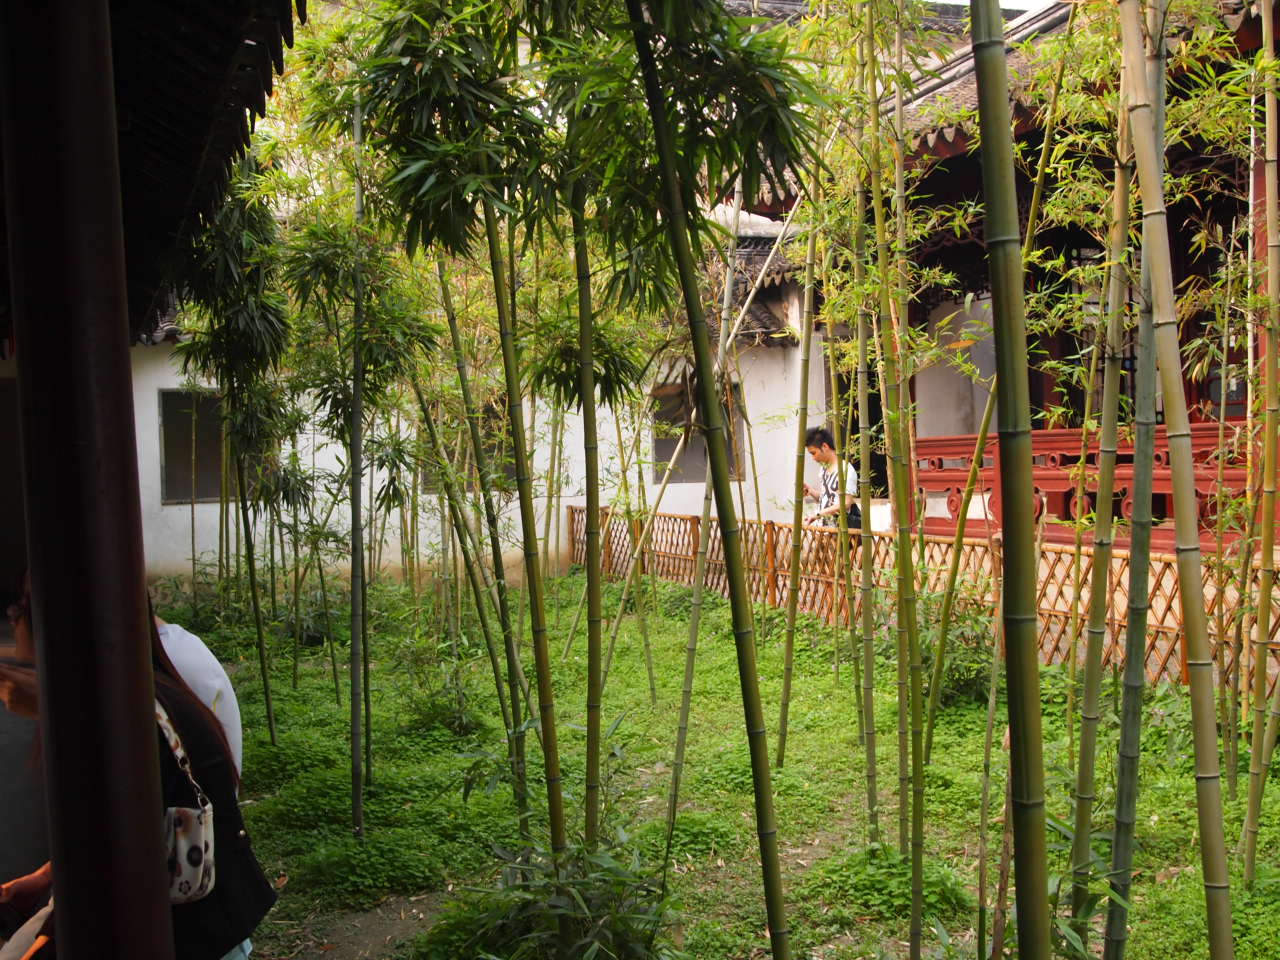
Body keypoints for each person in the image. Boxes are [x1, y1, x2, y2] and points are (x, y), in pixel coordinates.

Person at [0, 577, 275, 960]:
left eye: (21, 606)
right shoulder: (129, 685)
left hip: (190, 930)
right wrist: (49, 876)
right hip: (201, 919)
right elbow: (119, 831)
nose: (12, 617)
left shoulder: (128, 705)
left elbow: (118, 865)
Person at [802, 425, 862, 529]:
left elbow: (846, 503)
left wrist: (818, 514)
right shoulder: (823, 469)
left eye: (813, 453)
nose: (813, 458)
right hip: (824, 530)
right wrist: (810, 491)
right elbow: (826, 499)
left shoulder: (845, 469)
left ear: (825, 446)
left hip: (840, 532)